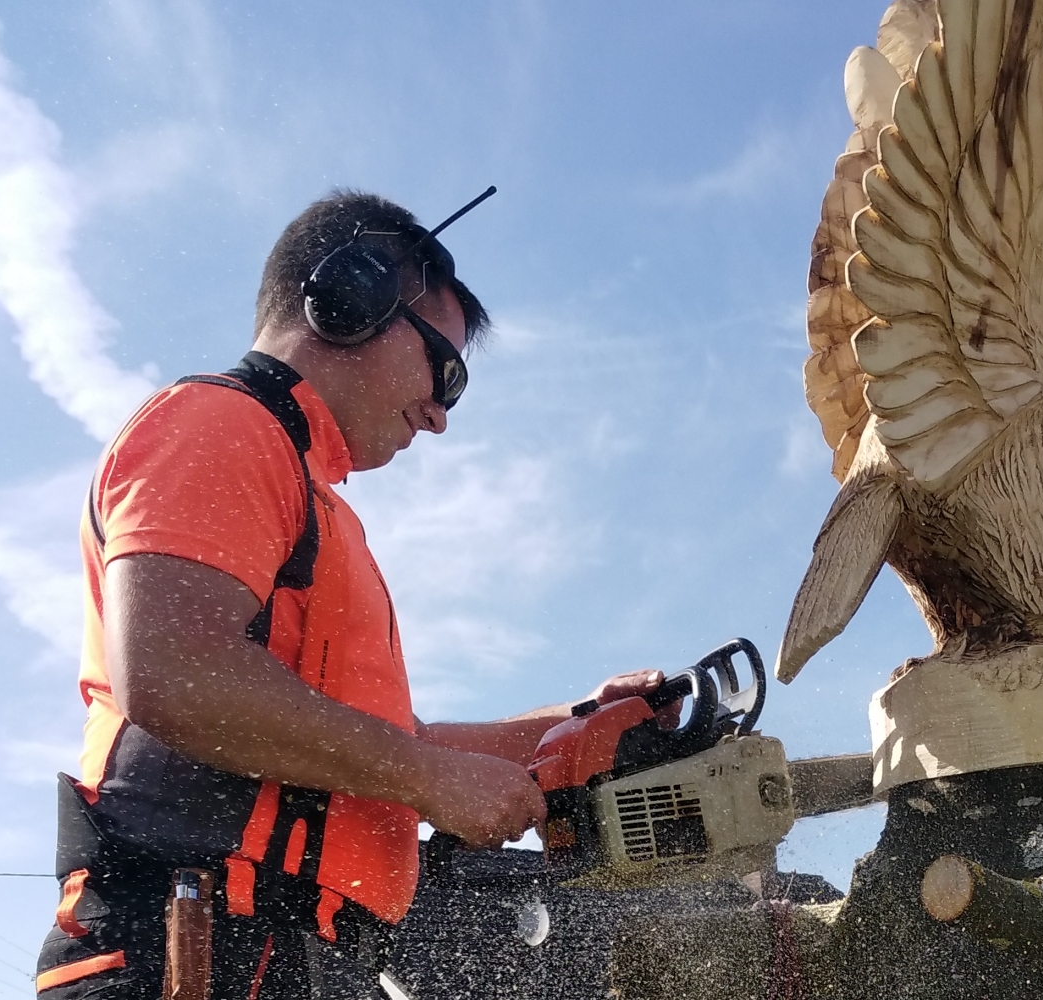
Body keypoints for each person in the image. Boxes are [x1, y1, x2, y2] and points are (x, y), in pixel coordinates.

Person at [35, 189, 664, 998]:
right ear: (350, 299)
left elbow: (386, 741)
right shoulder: (221, 425)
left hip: (277, 947)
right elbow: (173, 669)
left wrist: (576, 722)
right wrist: (429, 780)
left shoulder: (317, 503)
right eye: (444, 370)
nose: (439, 414)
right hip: (191, 943)